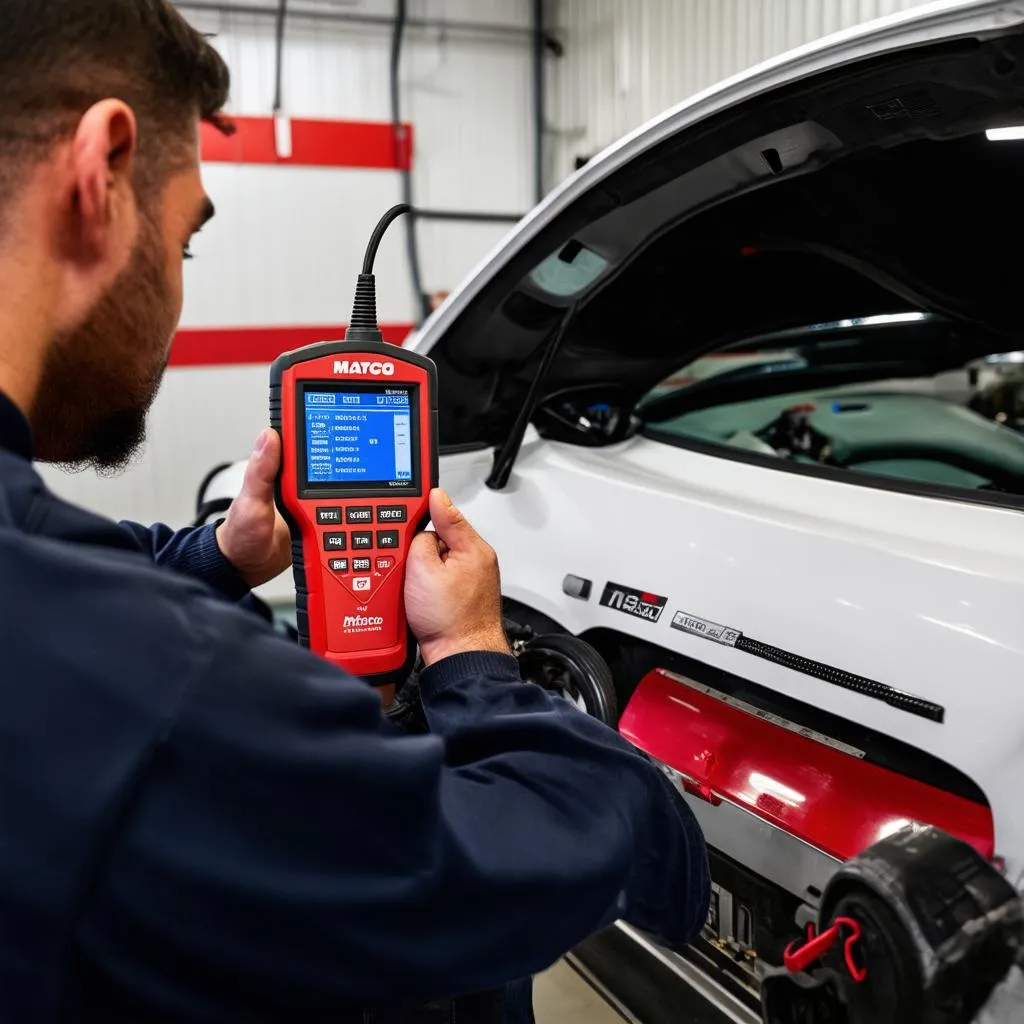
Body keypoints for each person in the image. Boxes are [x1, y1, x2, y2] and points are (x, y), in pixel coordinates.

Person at [0, 2, 711, 1021]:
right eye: (186, 244)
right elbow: (571, 841)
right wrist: (473, 657)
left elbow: (80, 559)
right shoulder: (160, 690)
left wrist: (217, 555)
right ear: (99, 174)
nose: (174, 294)